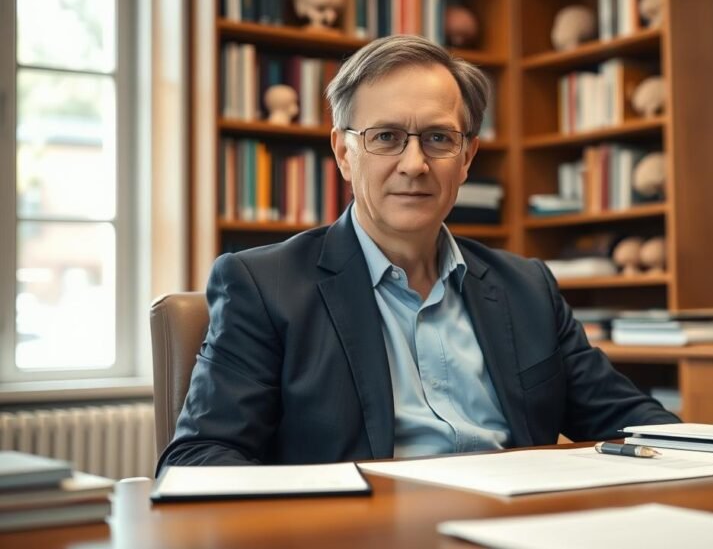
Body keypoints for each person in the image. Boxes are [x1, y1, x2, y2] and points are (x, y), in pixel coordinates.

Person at [158, 35, 678, 470]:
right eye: (385, 137)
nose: (414, 164)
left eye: (438, 138)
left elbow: (636, 424)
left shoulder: (527, 287)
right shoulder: (262, 285)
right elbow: (199, 458)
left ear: (467, 157)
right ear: (344, 151)